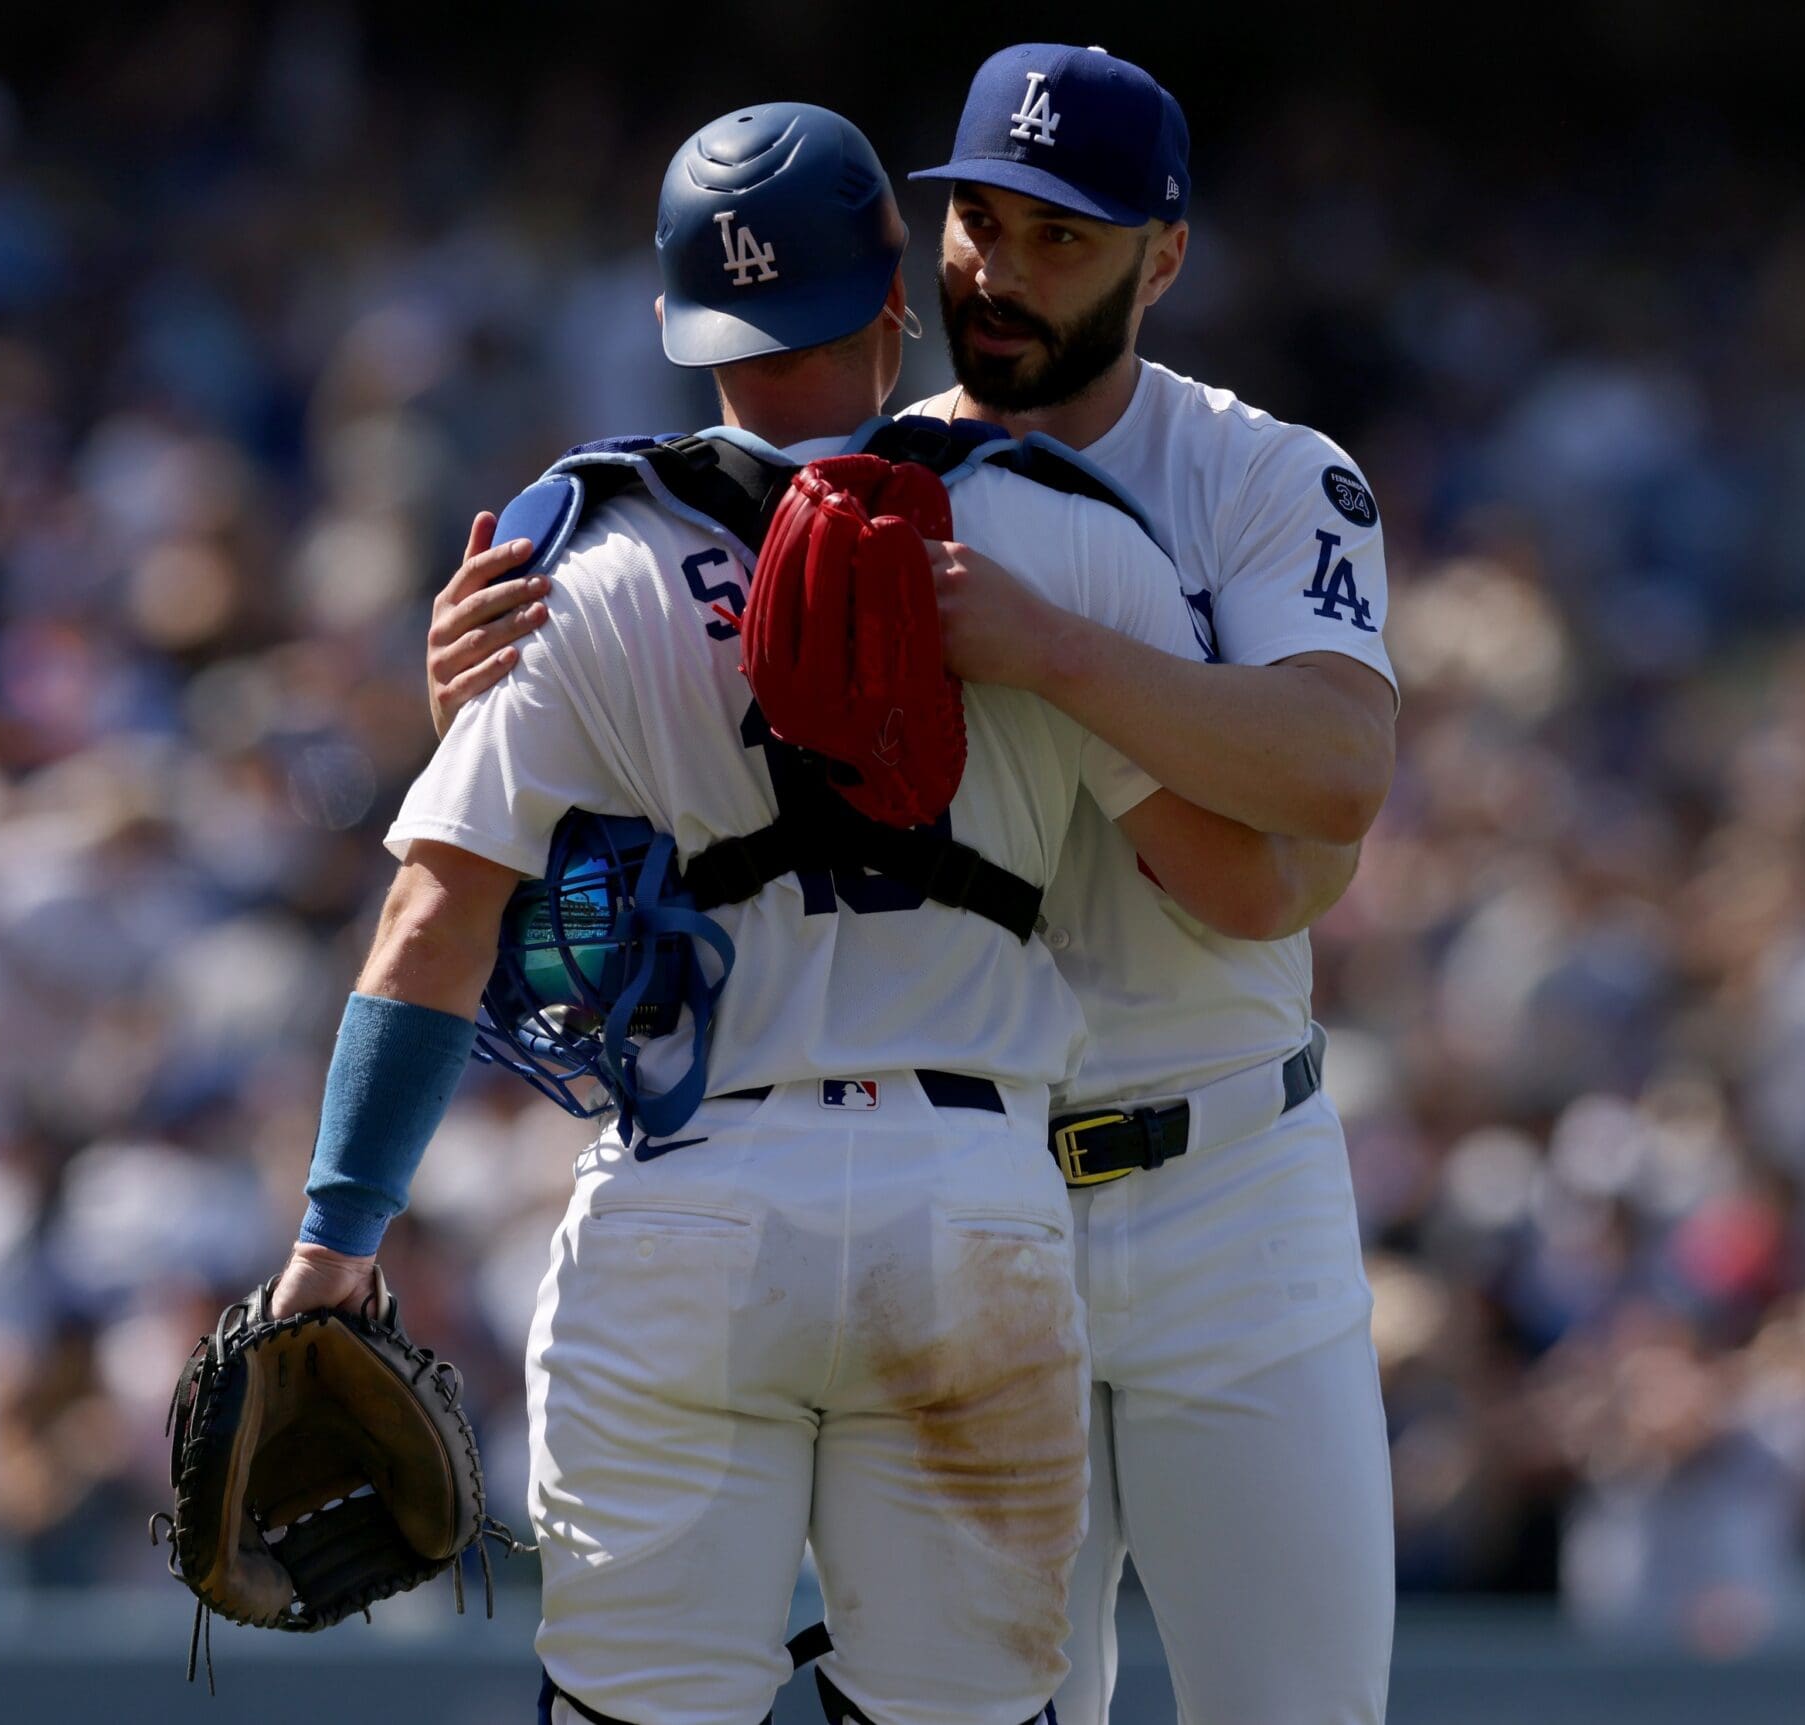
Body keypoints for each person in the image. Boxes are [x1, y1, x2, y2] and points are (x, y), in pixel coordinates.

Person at [269, 101, 1312, 1725]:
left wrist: (333, 1244)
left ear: (686, 326)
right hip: (974, 1202)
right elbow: (1251, 888)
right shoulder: (1056, 536)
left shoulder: (568, 562)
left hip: (688, 1209)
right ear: (897, 302)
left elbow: (428, 929)